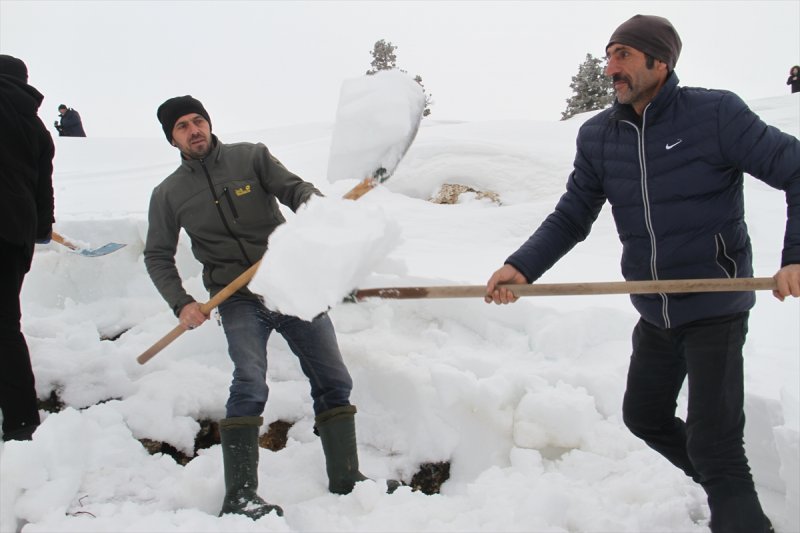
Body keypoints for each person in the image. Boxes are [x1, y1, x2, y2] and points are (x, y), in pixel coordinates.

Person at [484, 15, 799, 533]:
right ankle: (730, 494)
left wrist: (796, 256)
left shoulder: (716, 115)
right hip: (655, 309)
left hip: (715, 306)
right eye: (609, 56)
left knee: (714, 443)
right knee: (644, 416)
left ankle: (735, 503)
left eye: (624, 55)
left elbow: (795, 168)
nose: (611, 68)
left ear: (661, 60)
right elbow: (572, 215)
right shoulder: (599, 137)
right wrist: (522, 266)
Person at [144, 95, 398, 520]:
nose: (194, 130)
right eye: (182, 127)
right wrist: (182, 303)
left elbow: (293, 188)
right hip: (237, 297)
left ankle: (346, 478)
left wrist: (313, 207)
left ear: (208, 122)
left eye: (198, 121)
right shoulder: (169, 194)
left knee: (333, 378)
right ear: (173, 139)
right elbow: (157, 256)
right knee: (249, 382)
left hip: (289, 283)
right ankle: (239, 495)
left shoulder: (251, 157)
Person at [0, 55, 55, 442]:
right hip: (15, 238)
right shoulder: (37, 128)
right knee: (5, 327)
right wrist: (39, 230)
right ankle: (21, 422)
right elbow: (43, 189)